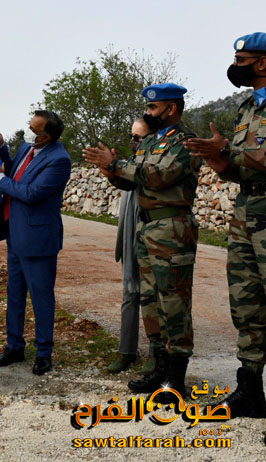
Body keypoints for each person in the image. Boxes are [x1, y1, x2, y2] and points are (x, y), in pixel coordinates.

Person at [83, 83, 201, 402]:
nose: (147, 112)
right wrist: (110, 170)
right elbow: (131, 180)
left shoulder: (185, 141)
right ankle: (159, 369)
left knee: (173, 302)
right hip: (147, 227)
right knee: (150, 300)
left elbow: (158, 176)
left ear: (171, 109)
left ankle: (175, 378)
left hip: (172, 228)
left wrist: (116, 164)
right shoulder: (151, 140)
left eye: (152, 107)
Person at [183, 32, 266, 418]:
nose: (235, 66)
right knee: (246, 301)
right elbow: (241, 164)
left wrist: (228, 151)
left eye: (241, 60)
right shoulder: (246, 106)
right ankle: (250, 390)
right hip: (247, 208)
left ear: (262, 62)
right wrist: (220, 162)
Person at [0, 110, 71, 375]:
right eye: (29, 126)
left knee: (41, 298)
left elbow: (31, 193)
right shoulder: (27, 147)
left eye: (34, 130)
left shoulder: (59, 160)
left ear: (46, 137)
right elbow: (15, 172)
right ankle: (14, 347)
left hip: (38, 240)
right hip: (16, 234)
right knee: (14, 295)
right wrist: (2, 147)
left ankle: (43, 353)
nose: (28, 132)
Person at [106, 118, 153, 374]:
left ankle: (156, 356)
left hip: (152, 242)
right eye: (131, 136)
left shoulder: (157, 166)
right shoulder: (128, 166)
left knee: (153, 299)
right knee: (129, 294)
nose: (133, 141)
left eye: (139, 137)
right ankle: (126, 351)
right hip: (130, 242)